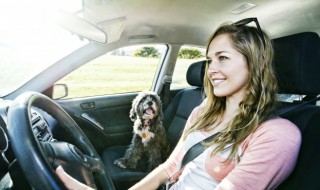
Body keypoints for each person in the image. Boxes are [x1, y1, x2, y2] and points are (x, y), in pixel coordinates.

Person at [56, 18, 301, 190]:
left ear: (255, 64)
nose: (211, 69)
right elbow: (169, 167)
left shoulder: (277, 135)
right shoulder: (201, 112)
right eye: (209, 60)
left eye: (222, 58)